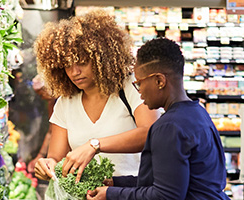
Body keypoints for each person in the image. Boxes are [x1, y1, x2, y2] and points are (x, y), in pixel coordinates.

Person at [87, 38, 229, 199]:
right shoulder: (197, 113)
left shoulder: (168, 127)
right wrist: (118, 183)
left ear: (159, 81)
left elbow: (165, 196)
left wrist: (111, 195)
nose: (139, 91)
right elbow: (174, 181)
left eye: (139, 83)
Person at [33, 10, 160, 184]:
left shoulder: (129, 87)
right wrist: (47, 165)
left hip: (131, 192)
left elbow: (151, 133)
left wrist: (95, 145)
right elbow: (56, 157)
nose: (74, 72)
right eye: (67, 65)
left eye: (82, 62)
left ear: (102, 58)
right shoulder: (65, 102)